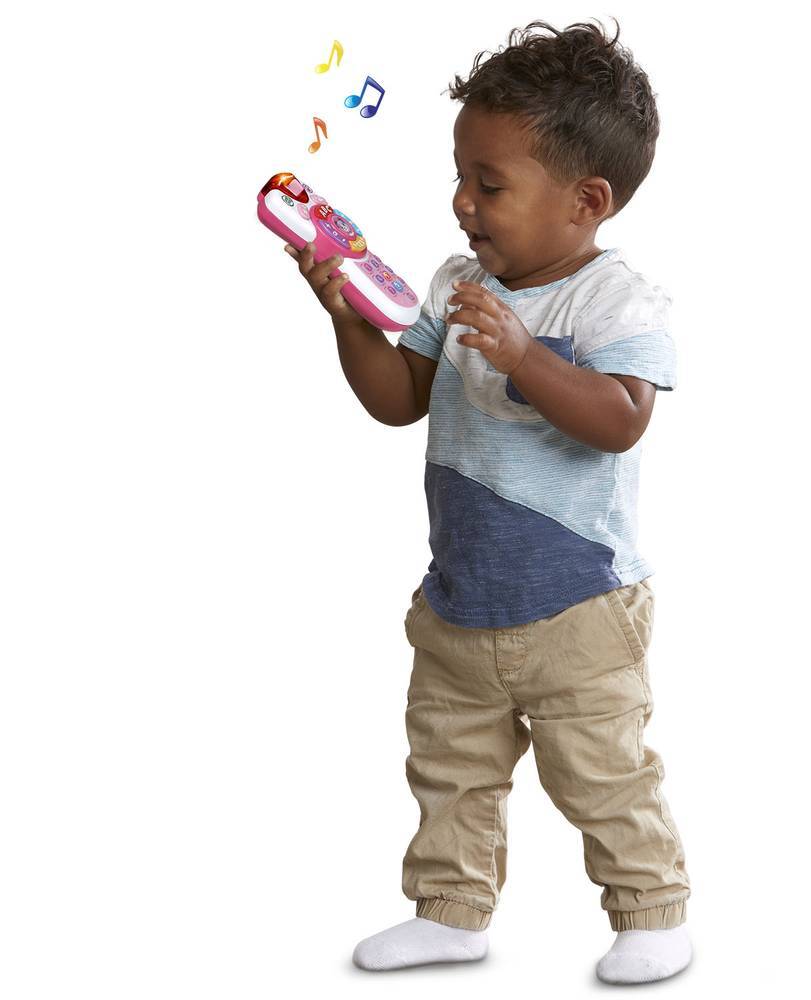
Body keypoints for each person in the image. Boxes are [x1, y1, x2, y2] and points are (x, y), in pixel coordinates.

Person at [284, 18, 692, 985]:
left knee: (603, 772)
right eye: (460, 176)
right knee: (448, 768)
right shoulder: (456, 284)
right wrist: (349, 320)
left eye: (490, 184)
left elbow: (620, 420)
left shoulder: (615, 302)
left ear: (587, 201)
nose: (462, 202)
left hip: (578, 607)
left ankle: (652, 913)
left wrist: (522, 354)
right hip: (461, 600)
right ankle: (449, 913)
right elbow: (399, 401)